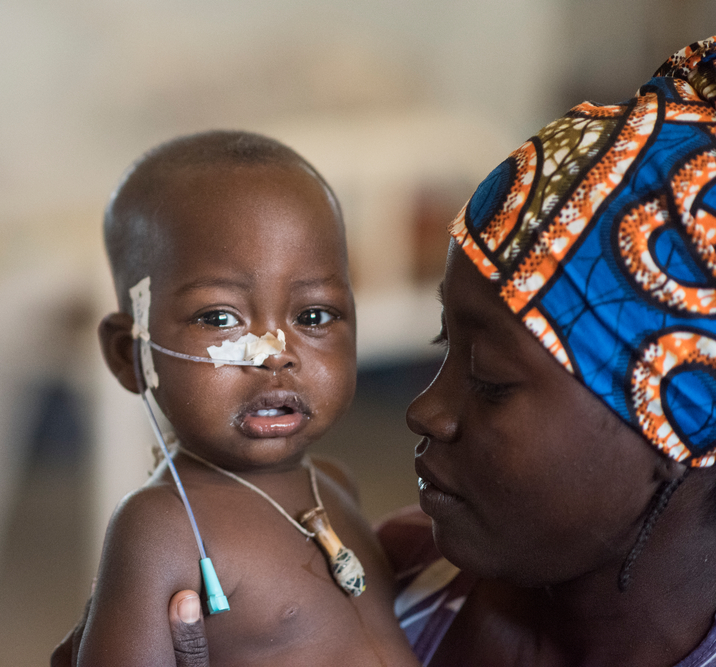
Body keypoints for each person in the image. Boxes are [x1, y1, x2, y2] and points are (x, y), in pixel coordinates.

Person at [53, 36, 716, 667]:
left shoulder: (346, 521)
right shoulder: (393, 560)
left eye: (486, 378)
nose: (423, 408)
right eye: (441, 346)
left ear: (675, 428)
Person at [70, 131, 419, 666]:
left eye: (313, 316)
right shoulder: (161, 529)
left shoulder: (334, 486)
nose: (274, 355)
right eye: (220, 319)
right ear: (131, 354)